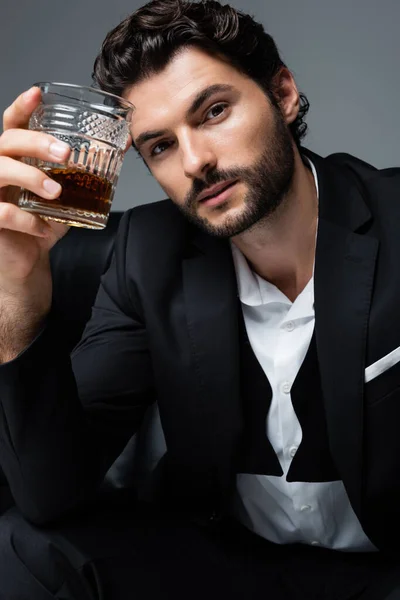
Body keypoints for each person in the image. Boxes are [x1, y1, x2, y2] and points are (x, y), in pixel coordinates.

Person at [0, 0, 399, 598]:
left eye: (213, 112)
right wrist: (16, 293)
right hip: (229, 565)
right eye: (159, 146)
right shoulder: (147, 253)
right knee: (22, 545)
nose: (196, 162)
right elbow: (48, 492)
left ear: (283, 94)